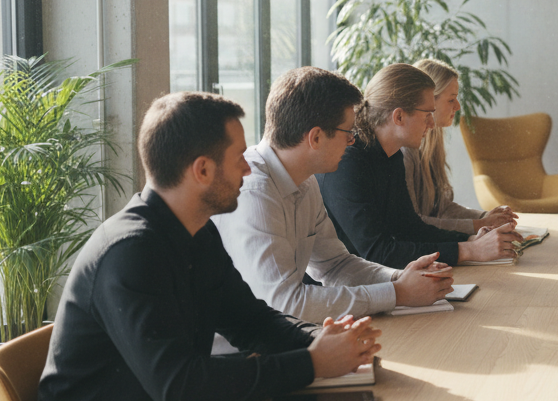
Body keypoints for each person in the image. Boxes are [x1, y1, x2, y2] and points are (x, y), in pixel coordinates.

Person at [34, 92, 381, 401]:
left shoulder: (197, 231)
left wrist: (323, 345)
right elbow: (177, 384)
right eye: (238, 159)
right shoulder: (130, 252)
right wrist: (310, 363)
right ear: (201, 170)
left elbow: (249, 320)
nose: (248, 171)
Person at [213, 67, 455, 324]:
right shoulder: (255, 194)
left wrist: (401, 278)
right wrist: (398, 293)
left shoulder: (305, 181)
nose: (352, 142)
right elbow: (285, 303)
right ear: (316, 137)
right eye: (348, 133)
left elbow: (335, 265)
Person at [318, 63, 520, 268]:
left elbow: (410, 228)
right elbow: (378, 252)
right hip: (335, 289)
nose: (432, 125)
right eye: (426, 115)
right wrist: (469, 251)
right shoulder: (348, 162)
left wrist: (471, 240)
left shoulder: (391, 154)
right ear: (398, 116)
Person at [405, 58, 518, 234]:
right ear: (429, 101)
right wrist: (480, 224)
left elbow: (443, 209)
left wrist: (486, 217)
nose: (458, 107)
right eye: (451, 100)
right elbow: (412, 223)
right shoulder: (405, 152)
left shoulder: (433, 143)